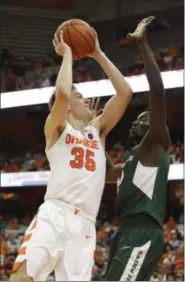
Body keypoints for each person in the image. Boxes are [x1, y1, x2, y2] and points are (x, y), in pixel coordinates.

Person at [10, 28, 132, 281]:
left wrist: (97, 53)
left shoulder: (97, 132)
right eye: (81, 96)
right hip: (55, 214)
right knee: (22, 277)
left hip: (85, 225)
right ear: (65, 109)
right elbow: (63, 93)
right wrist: (66, 54)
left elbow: (124, 93)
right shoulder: (55, 129)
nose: (86, 101)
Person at [103, 16, 171, 281]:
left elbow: (157, 91)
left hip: (142, 231)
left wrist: (142, 44)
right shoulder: (131, 161)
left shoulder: (155, 145)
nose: (135, 122)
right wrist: (95, 132)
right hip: (125, 233)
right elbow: (108, 172)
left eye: (143, 119)